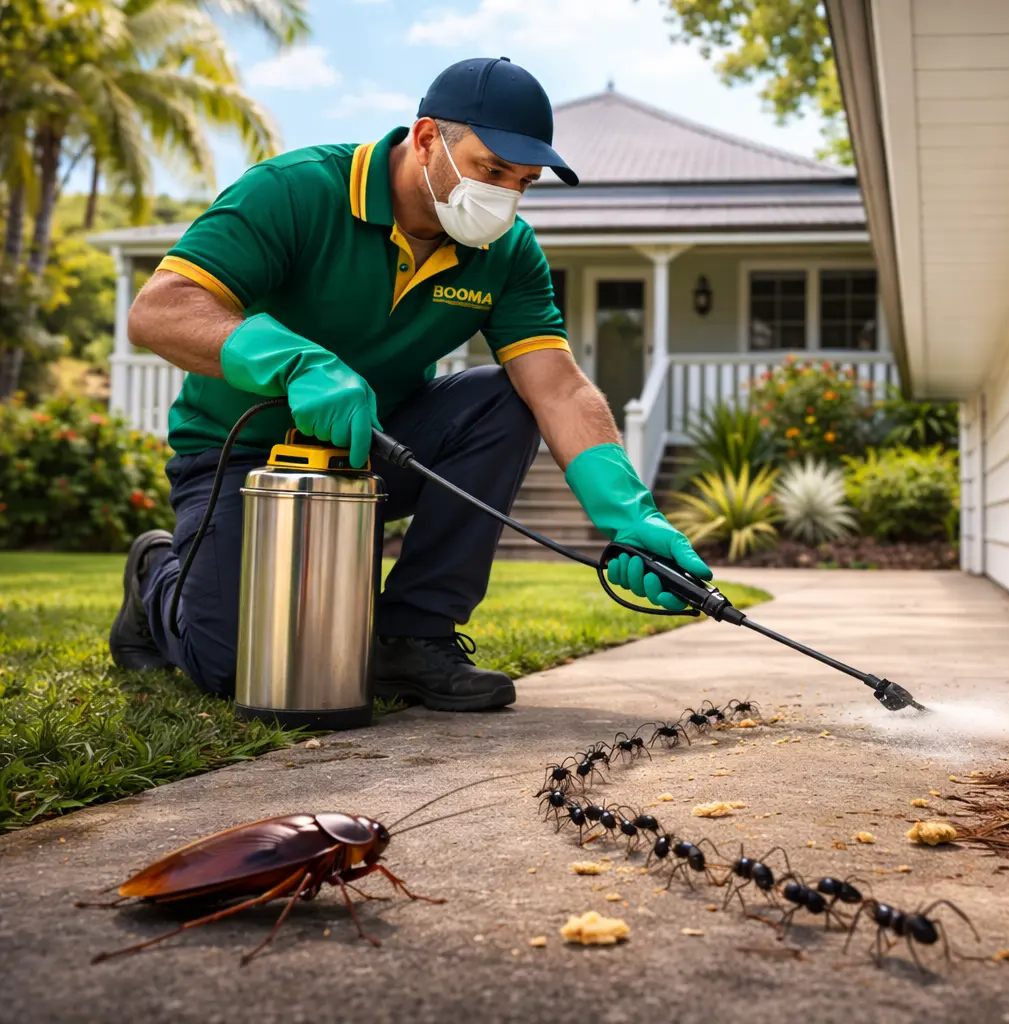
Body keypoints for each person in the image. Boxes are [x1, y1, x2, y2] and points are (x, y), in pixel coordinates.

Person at [108, 57, 710, 712]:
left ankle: (414, 635)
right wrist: (296, 363)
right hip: (238, 455)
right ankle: (155, 578)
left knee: (505, 397)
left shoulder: (504, 251)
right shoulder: (296, 190)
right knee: (231, 666)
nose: (506, 196)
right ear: (426, 138)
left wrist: (629, 512)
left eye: (524, 182)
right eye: (490, 169)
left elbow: (558, 389)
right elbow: (159, 310)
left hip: (373, 452)